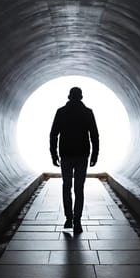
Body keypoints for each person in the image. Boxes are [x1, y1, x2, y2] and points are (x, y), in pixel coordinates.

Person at [49, 87, 99, 234]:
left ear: (69, 96)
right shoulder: (87, 112)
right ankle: (77, 221)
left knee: (66, 187)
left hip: (66, 154)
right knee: (79, 188)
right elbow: (94, 135)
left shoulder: (61, 112)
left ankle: (69, 219)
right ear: (81, 97)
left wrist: (54, 154)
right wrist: (95, 154)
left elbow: (53, 135)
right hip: (82, 155)